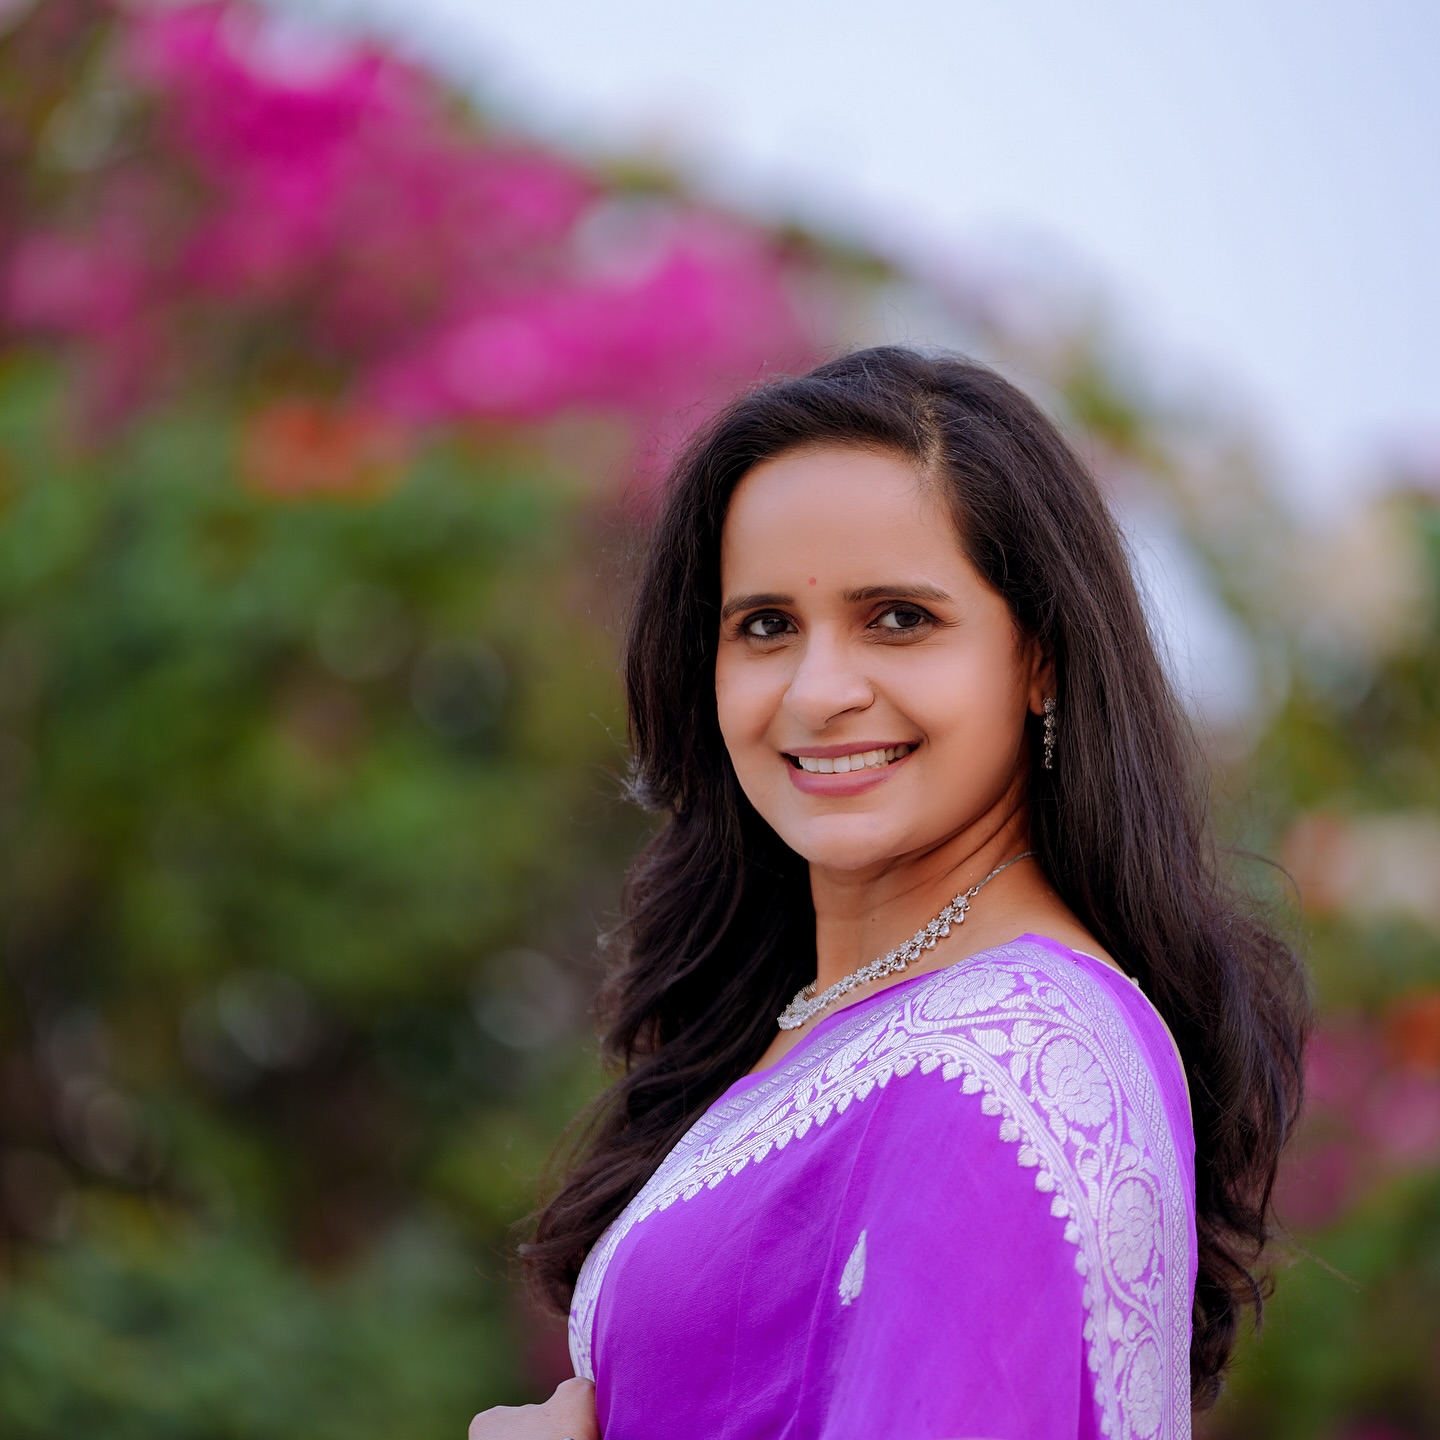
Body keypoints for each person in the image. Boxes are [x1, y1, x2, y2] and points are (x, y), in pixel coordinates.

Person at [470, 346, 1310, 1439]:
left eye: (900, 618)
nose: (819, 692)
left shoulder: (1001, 1064)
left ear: (1041, 658)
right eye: (765, 626)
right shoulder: (826, 1018)